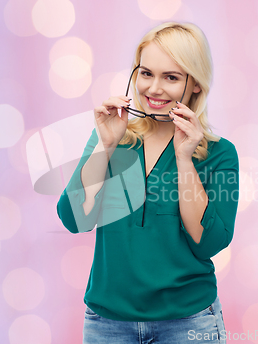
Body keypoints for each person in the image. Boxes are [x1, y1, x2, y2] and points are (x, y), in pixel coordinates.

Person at [57, 21, 239, 344]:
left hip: (188, 324)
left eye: (171, 77)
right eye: (146, 73)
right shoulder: (114, 137)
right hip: (107, 325)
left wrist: (184, 158)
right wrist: (105, 145)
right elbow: (74, 219)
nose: (154, 89)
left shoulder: (219, 154)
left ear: (195, 84)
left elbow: (208, 242)